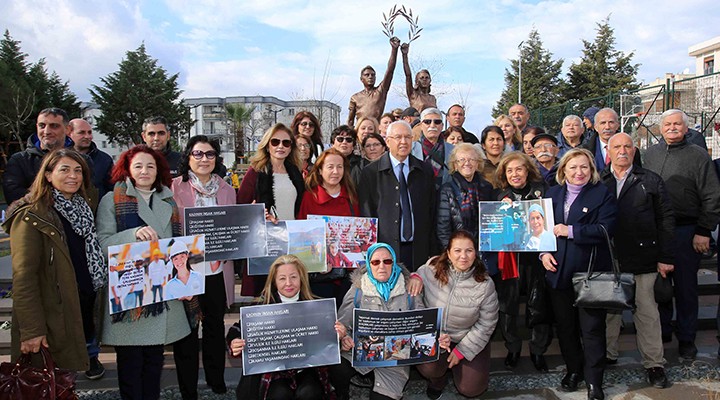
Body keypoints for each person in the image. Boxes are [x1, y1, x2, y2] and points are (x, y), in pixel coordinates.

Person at [96, 145, 191, 400]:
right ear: (127, 169)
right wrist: (132, 234)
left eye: (150, 165)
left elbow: (178, 242)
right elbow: (102, 244)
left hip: (161, 292)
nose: (144, 171)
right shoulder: (111, 199)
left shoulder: (168, 200)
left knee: (153, 362)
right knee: (130, 364)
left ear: (158, 169)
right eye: (138, 165)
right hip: (130, 294)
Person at [3, 149, 106, 378]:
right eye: (65, 169)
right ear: (48, 175)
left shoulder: (84, 207)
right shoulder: (31, 215)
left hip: (81, 306)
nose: (73, 176)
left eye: (78, 170)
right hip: (53, 316)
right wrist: (32, 329)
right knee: (48, 383)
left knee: (66, 383)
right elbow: (24, 276)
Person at [540, 148, 617, 400]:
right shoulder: (552, 194)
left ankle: (595, 380)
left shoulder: (602, 194)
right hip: (558, 271)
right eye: (573, 167)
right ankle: (574, 370)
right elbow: (538, 229)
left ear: (592, 169)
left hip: (590, 272)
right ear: (563, 171)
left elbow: (607, 228)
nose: (579, 172)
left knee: (592, 328)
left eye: (584, 167)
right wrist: (542, 254)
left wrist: (571, 231)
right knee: (566, 327)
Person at [644, 109, 720, 360]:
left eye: (677, 124)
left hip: (687, 230)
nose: (672, 128)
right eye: (667, 124)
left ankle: (687, 337)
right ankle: (664, 330)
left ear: (686, 128)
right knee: (660, 285)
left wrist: (703, 230)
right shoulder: (651, 154)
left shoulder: (698, 156)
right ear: (661, 128)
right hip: (657, 230)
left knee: (686, 288)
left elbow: (712, 195)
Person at [601, 132, 674, 388]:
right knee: (610, 312)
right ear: (608, 151)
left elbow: (665, 219)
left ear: (634, 150)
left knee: (647, 312)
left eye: (627, 146)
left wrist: (665, 257)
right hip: (609, 258)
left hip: (645, 257)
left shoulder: (650, 180)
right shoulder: (600, 179)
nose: (622, 150)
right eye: (617, 146)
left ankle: (654, 364)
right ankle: (607, 355)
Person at [171, 135, 237, 397]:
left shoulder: (227, 189)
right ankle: (187, 386)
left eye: (209, 154)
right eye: (198, 154)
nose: (204, 159)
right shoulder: (174, 188)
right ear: (188, 157)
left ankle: (216, 379)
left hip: (217, 271)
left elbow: (234, 226)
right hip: (187, 271)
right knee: (186, 330)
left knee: (214, 326)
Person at [227, 255, 343, 400]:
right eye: (282, 278)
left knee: (309, 392)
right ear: (274, 281)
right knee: (279, 394)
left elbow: (329, 341)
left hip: (309, 368)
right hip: (274, 370)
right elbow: (237, 330)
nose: (288, 283)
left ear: (301, 278)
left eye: (293, 277)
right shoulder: (261, 307)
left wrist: (338, 334)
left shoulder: (318, 306)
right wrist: (234, 342)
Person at [332, 243, 427, 400]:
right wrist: (345, 337)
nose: (381, 266)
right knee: (338, 366)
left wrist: (436, 338)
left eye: (387, 261)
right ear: (369, 264)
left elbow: (423, 324)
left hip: (395, 360)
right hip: (361, 352)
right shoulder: (357, 289)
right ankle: (342, 393)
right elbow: (343, 323)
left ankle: (377, 382)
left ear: (394, 262)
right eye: (375, 262)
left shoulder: (409, 288)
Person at [489, 151, 552, 372]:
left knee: (539, 305)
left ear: (528, 170)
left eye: (519, 169)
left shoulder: (542, 192)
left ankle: (538, 350)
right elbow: (493, 232)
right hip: (510, 259)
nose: (515, 174)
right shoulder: (498, 196)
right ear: (504, 174)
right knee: (508, 306)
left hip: (537, 259)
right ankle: (513, 348)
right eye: (510, 170)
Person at [416, 230, 498, 399]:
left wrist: (462, 350)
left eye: (469, 250)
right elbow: (413, 298)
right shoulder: (428, 272)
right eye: (457, 250)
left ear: (476, 253)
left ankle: (463, 365)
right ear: (448, 253)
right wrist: (413, 276)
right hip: (437, 337)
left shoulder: (485, 283)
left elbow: (487, 323)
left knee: (471, 389)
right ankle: (438, 379)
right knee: (429, 367)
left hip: (466, 336)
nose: (463, 256)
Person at [238, 123, 305, 296]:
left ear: (291, 147)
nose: (280, 146)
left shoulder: (296, 173)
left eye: (286, 143)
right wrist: (256, 213)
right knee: (266, 297)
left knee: (291, 292)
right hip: (265, 245)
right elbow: (241, 208)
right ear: (267, 145)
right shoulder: (255, 172)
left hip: (292, 243)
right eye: (275, 142)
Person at [359, 121, 437, 271]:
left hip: (418, 250)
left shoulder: (424, 170)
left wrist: (433, 251)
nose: (403, 142)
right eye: (398, 137)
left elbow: (431, 211)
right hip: (386, 253)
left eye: (408, 137)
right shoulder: (371, 173)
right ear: (387, 141)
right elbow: (367, 215)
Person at [297, 148, 360, 305]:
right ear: (319, 170)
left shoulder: (352, 197)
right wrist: (318, 261)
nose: (335, 171)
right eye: (330, 167)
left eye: (340, 167)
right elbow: (302, 237)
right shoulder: (309, 197)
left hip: (348, 274)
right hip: (320, 275)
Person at [3, 107, 77, 204]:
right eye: (42, 126)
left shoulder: (82, 161)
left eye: (54, 126)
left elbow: (88, 195)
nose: (46, 131)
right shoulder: (19, 160)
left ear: (68, 129)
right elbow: (13, 197)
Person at [437, 143, 492, 248]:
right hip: (457, 249)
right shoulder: (447, 189)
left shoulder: (486, 187)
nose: (467, 163)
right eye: (461, 160)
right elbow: (443, 228)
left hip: (483, 247)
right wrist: (451, 251)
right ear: (455, 165)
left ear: (477, 164)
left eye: (472, 159)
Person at [348, 37, 400, 125]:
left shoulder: (380, 91)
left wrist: (394, 50)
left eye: (373, 75)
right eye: (367, 75)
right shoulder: (355, 98)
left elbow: (390, 71)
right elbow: (350, 120)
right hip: (360, 132)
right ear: (361, 79)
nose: (370, 77)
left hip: (376, 130)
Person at [69, 118, 114, 199]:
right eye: (81, 133)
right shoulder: (60, 158)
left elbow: (112, 189)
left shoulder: (105, 160)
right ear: (69, 133)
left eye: (89, 132)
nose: (87, 136)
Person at [411, 107, 454, 189]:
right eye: (427, 122)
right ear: (420, 125)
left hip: (445, 197)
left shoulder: (453, 150)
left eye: (437, 122)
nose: (432, 125)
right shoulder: (410, 149)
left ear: (442, 126)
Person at [401, 42, 437, 112]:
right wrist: (404, 55)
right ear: (417, 81)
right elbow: (408, 75)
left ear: (430, 80)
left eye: (427, 78)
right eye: (422, 78)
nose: (424, 79)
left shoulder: (433, 98)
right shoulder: (413, 94)